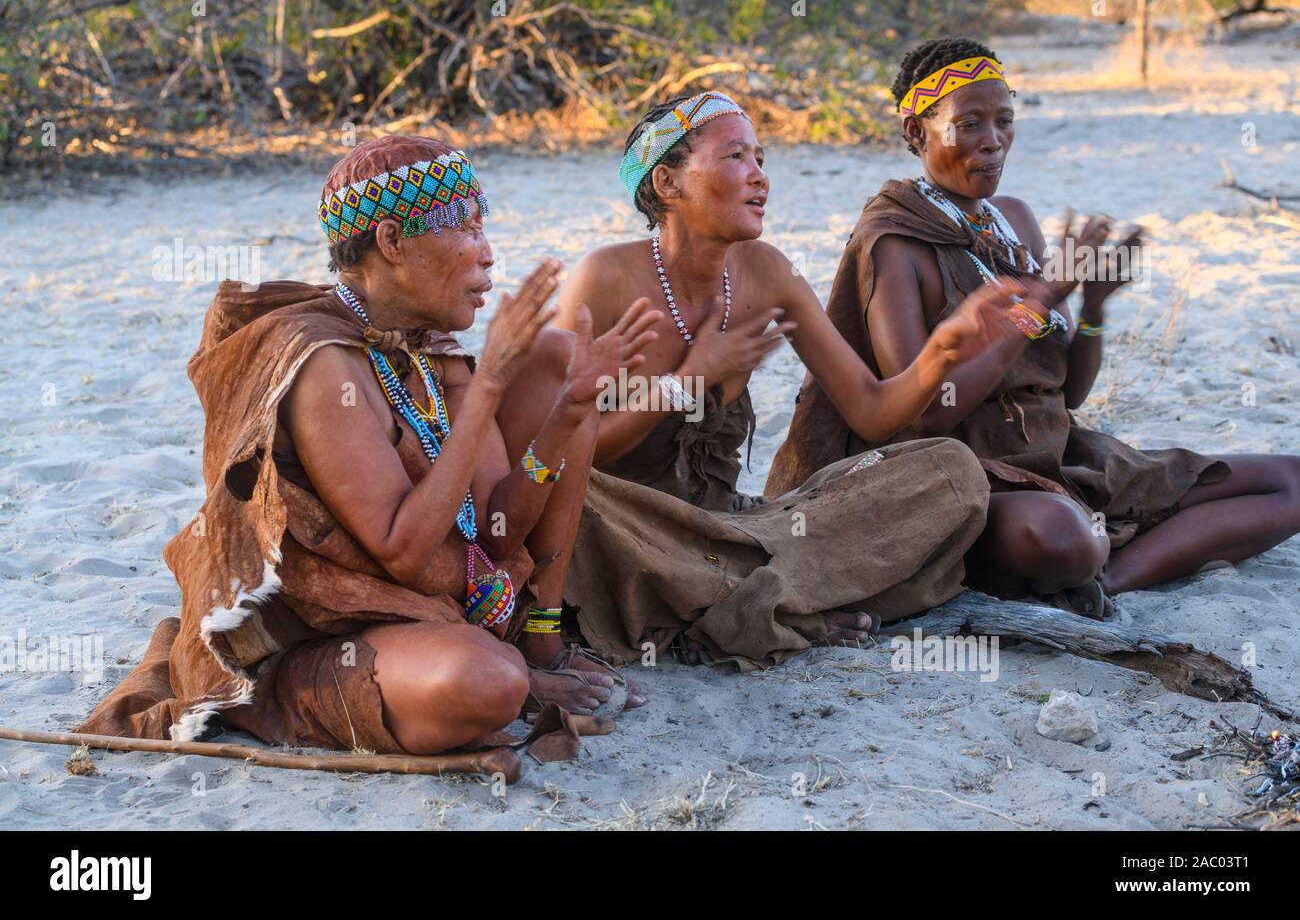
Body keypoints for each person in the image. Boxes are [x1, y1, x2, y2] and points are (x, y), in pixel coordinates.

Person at [77, 134, 659, 757]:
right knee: (488, 683)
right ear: (391, 242)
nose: (489, 255)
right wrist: (490, 381)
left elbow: (493, 532)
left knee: (557, 358)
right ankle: (292, 698)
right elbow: (405, 553)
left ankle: (534, 637)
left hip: (432, 608)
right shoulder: (323, 362)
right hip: (321, 632)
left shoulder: (426, 346)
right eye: (465, 229)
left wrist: (567, 415)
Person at [767, 38, 1300, 616]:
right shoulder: (895, 241)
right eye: (968, 124)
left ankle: (1110, 579)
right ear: (917, 132)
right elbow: (926, 412)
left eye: (1003, 121)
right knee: (1063, 540)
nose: (993, 141)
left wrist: (1094, 310)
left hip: (1056, 453)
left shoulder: (1013, 219)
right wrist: (1039, 301)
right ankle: (1095, 561)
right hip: (957, 475)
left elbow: (1068, 393)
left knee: (1289, 482)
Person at [553, 91, 1029, 671]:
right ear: (667, 184)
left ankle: (746, 600)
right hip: (630, 533)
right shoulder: (602, 279)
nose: (760, 178)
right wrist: (689, 380)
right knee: (575, 509)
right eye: (735, 158)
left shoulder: (768, 272)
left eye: (761, 159)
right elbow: (555, 451)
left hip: (737, 530)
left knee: (949, 470)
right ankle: (769, 603)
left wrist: (942, 352)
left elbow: (874, 411)